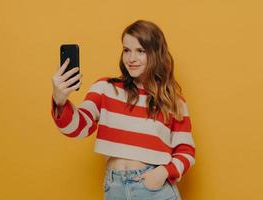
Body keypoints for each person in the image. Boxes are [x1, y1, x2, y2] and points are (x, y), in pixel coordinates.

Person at [51, 20, 195, 200]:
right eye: (127, 50)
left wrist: (163, 173)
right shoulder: (106, 88)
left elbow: (186, 151)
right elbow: (78, 128)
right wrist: (60, 100)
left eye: (140, 51)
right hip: (115, 188)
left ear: (156, 54)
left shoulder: (173, 101)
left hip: (154, 191)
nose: (131, 58)